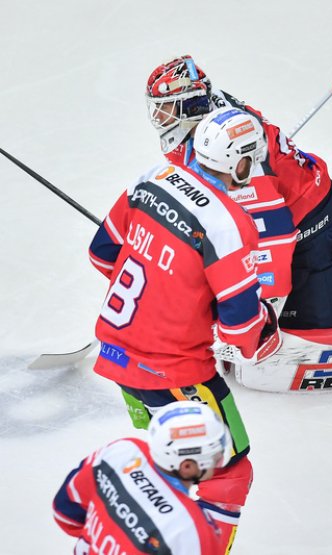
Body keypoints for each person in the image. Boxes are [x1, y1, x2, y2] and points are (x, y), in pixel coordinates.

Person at [88, 107, 282, 551]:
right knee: (230, 471)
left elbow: (102, 254)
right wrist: (266, 324)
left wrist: (167, 285)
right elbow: (243, 334)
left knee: (178, 459)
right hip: (172, 371)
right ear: (240, 163)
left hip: (116, 354)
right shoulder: (230, 225)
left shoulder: (152, 177)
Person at [145, 54, 332, 329]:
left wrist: (257, 317)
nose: (158, 117)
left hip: (314, 231)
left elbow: (271, 238)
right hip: (279, 209)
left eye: (166, 109)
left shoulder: (240, 155)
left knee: (307, 327)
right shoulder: (204, 117)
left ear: (191, 108)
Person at [53, 400, 231, 554]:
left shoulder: (122, 451)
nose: (219, 459)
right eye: (215, 455)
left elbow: (65, 512)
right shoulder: (192, 530)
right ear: (187, 466)